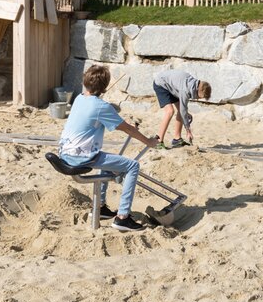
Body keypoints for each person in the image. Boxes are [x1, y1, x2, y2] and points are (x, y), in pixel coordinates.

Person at [59, 65, 160, 232]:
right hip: (81, 157)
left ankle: (101, 208)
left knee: (104, 159)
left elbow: (105, 116)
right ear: (105, 87)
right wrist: (148, 142)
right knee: (132, 166)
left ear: (85, 82)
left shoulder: (78, 98)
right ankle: (122, 217)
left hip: (65, 153)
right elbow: (127, 129)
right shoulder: (101, 107)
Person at [152, 69, 212, 148]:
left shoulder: (193, 84)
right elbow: (183, 110)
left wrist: (185, 113)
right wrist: (188, 130)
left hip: (172, 86)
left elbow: (183, 109)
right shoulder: (185, 90)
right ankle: (158, 141)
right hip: (161, 84)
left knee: (181, 111)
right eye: (200, 97)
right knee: (170, 111)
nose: (198, 99)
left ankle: (177, 139)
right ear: (198, 92)